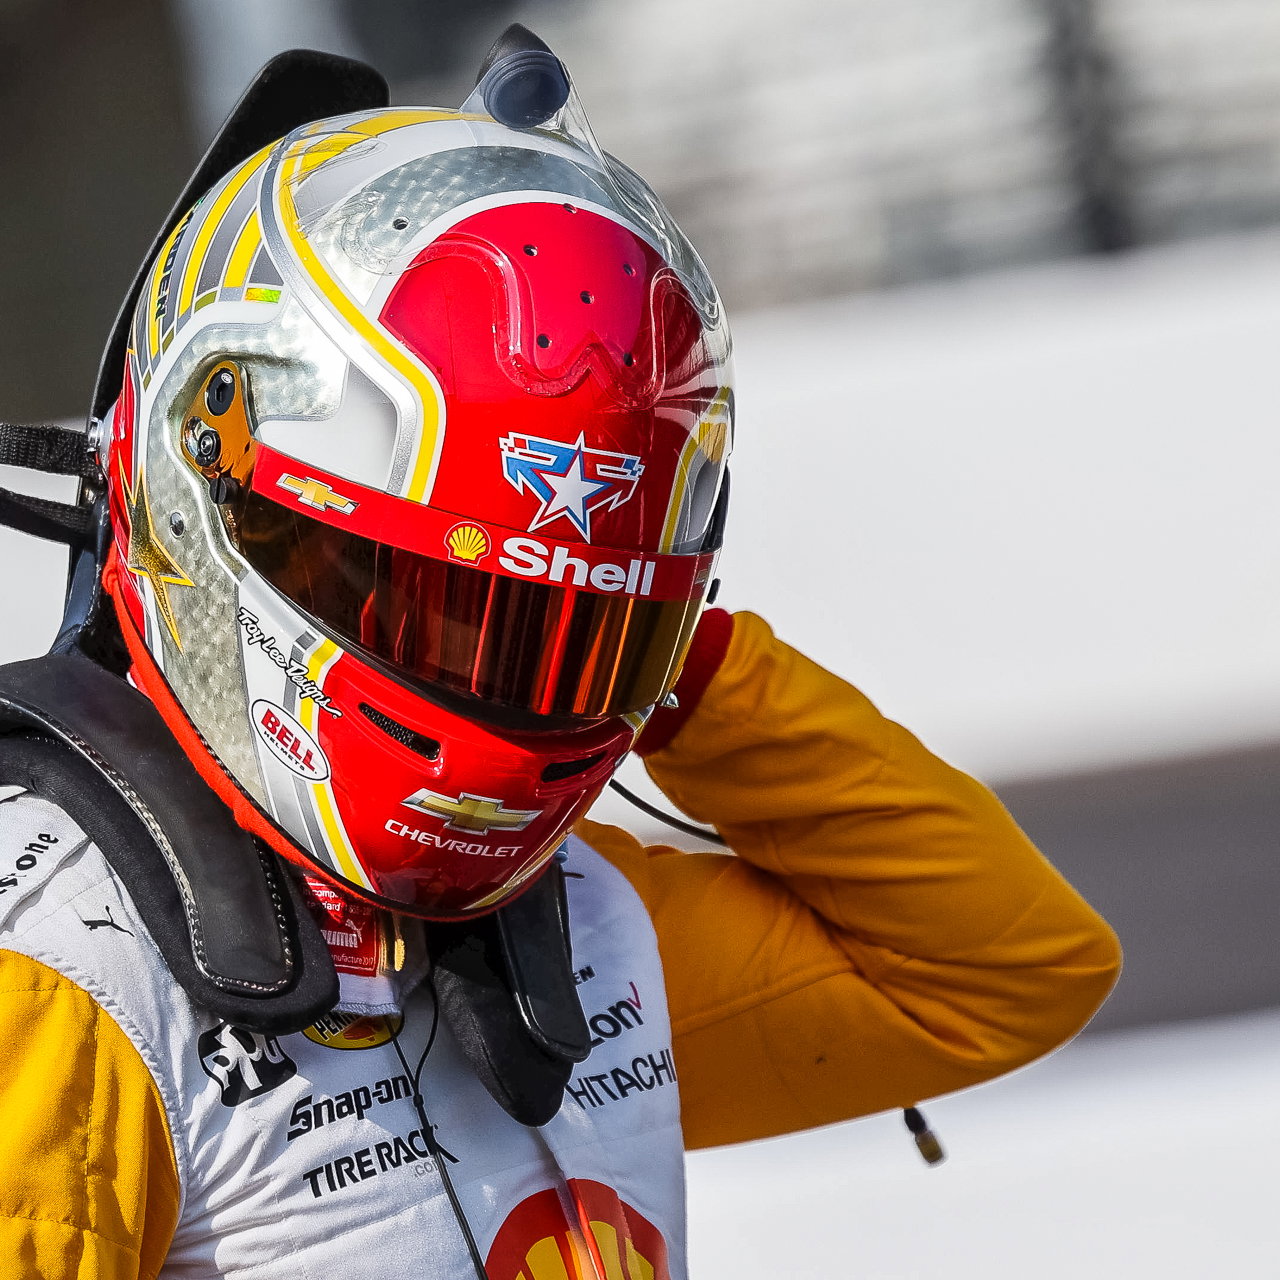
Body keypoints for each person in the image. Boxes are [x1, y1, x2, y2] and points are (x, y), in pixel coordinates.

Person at [0, 28, 1120, 1280]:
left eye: (572, 635)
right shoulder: (62, 978)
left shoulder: (582, 927)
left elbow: (1001, 964)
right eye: (438, 607)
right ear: (209, 491)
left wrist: (677, 665)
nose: (501, 697)